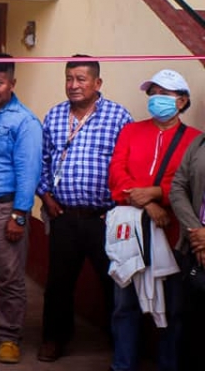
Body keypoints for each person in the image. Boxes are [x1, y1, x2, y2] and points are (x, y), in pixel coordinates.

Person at [36, 56, 133, 363]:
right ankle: (54, 338)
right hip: (63, 215)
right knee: (58, 284)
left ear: (97, 83)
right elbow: (43, 161)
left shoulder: (118, 116)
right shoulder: (54, 116)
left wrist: (117, 204)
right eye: (69, 79)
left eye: (81, 79)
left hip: (103, 218)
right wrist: (46, 196)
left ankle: (119, 342)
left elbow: (127, 164)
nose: (73, 85)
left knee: (112, 282)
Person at [107, 70, 199, 371]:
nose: (156, 99)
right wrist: (150, 205)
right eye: (153, 93)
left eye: (164, 94)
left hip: (173, 234)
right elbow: (117, 174)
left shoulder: (195, 141)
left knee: (174, 307)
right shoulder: (131, 132)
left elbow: (188, 184)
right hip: (130, 234)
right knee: (125, 305)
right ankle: (123, 364)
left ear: (182, 100)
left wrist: (156, 193)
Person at [0, 54, 43, 365]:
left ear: (12, 84)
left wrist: (19, 214)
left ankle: (9, 337)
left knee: (10, 277)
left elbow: (29, 171)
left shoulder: (24, 121)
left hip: (5, 209)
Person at [169, 114, 205, 371]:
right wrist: (197, 232)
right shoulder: (200, 143)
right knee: (191, 329)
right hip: (195, 249)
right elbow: (178, 187)